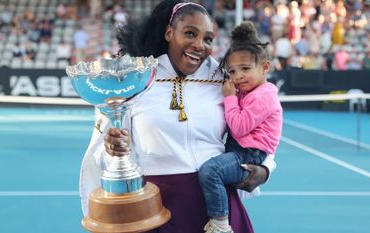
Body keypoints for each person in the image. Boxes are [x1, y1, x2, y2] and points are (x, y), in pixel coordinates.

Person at [79, 1, 276, 233]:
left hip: (217, 209)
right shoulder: (134, 78)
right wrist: (112, 148)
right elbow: (103, 149)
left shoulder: (225, 79)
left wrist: (265, 169)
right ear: (169, 33)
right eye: (190, 33)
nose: (199, 45)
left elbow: (260, 125)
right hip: (154, 209)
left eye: (208, 39)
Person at [198, 22, 282, 233]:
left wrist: (229, 98)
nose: (238, 77)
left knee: (211, 170)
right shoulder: (251, 92)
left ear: (264, 67)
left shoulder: (263, 96)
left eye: (245, 69)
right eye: (232, 71)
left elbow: (239, 126)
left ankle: (220, 224)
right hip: (242, 150)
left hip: (248, 154)